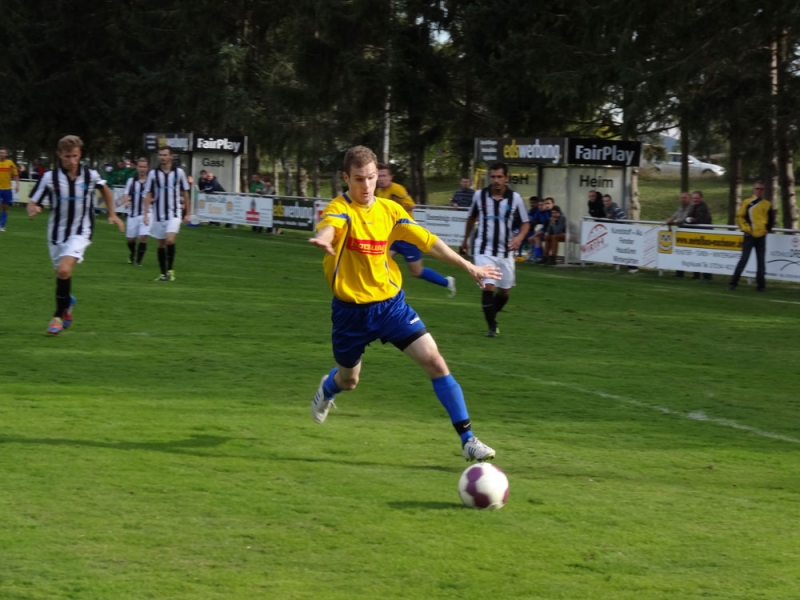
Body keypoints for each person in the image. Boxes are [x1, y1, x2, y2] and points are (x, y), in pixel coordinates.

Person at [309, 145, 501, 462]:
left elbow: (429, 242)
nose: (367, 185)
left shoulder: (390, 211)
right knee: (349, 380)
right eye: (359, 179)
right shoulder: (340, 208)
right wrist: (325, 239)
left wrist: (469, 266)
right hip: (350, 314)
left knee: (435, 361)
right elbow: (331, 225)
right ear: (346, 178)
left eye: (371, 177)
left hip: (390, 307)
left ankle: (468, 440)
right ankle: (328, 389)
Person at [27, 135, 124, 335]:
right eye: (67, 157)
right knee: (62, 275)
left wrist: (112, 213)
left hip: (81, 231)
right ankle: (67, 303)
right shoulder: (50, 178)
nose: (71, 161)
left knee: (64, 270)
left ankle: (57, 317)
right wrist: (33, 208)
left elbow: (105, 190)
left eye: (75, 156)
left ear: (80, 155)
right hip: (56, 233)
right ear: (59, 155)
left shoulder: (90, 175)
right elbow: (33, 201)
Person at [461, 161, 530, 337]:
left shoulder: (515, 198)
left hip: (506, 252)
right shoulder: (480, 196)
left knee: (504, 292)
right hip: (484, 250)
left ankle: (490, 313)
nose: (496, 180)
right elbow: (471, 218)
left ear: (506, 178)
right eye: (493, 177)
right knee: (488, 286)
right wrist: (465, 240)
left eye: (499, 177)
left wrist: (519, 238)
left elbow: (526, 223)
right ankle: (492, 327)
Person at [377, 163, 456, 297]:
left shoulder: (397, 190)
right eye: (379, 176)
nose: (381, 179)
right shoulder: (379, 191)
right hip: (394, 236)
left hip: (408, 237)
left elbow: (411, 205)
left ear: (391, 177)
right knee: (379, 261)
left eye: (384, 176)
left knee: (416, 272)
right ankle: (386, 292)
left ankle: (447, 282)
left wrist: (394, 212)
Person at [143, 146, 191, 281]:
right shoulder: (153, 174)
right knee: (161, 243)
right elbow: (148, 193)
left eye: (165, 155)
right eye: (161, 155)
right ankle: (163, 274)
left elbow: (185, 193)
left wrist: (188, 213)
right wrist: (145, 214)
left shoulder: (179, 172)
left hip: (174, 213)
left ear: (171, 156)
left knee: (170, 240)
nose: (162, 157)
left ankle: (170, 270)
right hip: (158, 214)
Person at [728, 181, 774, 292]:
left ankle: (761, 286)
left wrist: (767, 230)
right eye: (757, 189)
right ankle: (733, 283)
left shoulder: (767, 204)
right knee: (743, 260)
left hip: (761, 237)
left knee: (761, 262)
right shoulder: (747, 202)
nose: (759, 191)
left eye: (761, 189)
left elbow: (771, 219)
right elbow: (739, 217)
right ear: (754, 190)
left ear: (763, 191)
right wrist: (745, 229)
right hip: (749, 236)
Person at [122, 157, 152, 266]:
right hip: (133, 214)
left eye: (144, 167)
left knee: (143, 237)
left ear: (147, 168)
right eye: (140, 167)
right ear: (137, 168)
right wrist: (126, 202)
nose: (142, 169)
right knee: (130, 240)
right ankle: (132, 252)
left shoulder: (151, 182)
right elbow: (125, 194)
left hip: (147, 213)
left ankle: (138, 262)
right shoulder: (132, 181)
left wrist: (149, 200)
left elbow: (156, 197)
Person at [603, 194, 638, 273]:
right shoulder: (605, 209)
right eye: (604, 201)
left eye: (607, 201)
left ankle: (633, 267)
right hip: (616, 233)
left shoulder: (616, 209)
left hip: (624, 231)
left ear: (611, 201)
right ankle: (617, 264)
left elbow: (624, 219)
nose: (606, 202)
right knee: (616, 248)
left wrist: (614, 220)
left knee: (626, 249)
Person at [685, 190, 713, 280]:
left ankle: (707, 275)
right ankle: (696, 274)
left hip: (705, 234)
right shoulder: (692, 207)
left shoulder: (703, 207)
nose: (695, 200)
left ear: (701, 198)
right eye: (693, 198)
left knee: (705, 255)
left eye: (697, 198)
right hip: (696, 234)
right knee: (696, 254)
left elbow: (703, 220)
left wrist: (693, 220)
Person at [666, 192, 692, 277]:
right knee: (680, 253)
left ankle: (696, 274)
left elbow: (683, 219)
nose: (683, 200)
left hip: (689, 233)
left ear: (689, 199)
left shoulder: (691, 208)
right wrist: (670, 219)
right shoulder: (680, 208)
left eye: (685, 198)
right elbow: (674, 216)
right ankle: (679, 272)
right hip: (681, 234)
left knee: (690, 254)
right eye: (681, 198)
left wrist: (674, 221)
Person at [526, 196, 552, 263]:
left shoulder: (547, 213)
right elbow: (536, 223)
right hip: (541, 232)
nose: (540, 206)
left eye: (542, 205)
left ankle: (538, 256)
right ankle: (536, 255)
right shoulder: (538, 213)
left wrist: (541, 231)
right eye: (539, 205)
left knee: (536, 238)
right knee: (531, 238)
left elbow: (548, 225)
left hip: (548, 232)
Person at [0, 147, 20, 231]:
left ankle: (2, 225)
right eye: (0, 152)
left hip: (7, 189)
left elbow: (15, 174)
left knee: (5, 207)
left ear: (6, 154)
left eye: (3, 153)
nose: (1, 154)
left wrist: (17, 185)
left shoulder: (10, 163)